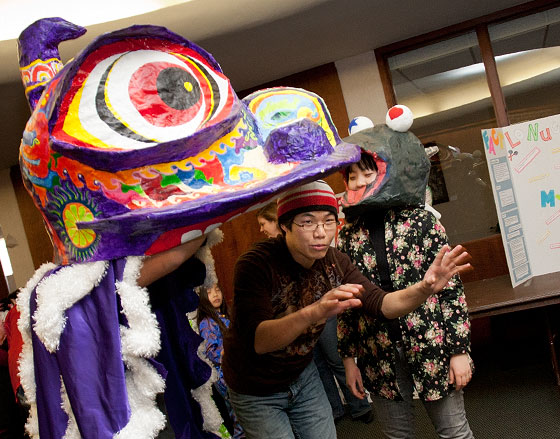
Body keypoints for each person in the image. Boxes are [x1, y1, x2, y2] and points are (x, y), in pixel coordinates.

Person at [222, 180, 471, 439]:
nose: (320, 232)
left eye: (329, 221)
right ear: (285, 225)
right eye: (307, 222)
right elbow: (260, 341)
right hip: (254, 387)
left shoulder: (335, 262)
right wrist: (316, 311)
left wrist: (425, 288)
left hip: (301, 375)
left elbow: (382, 304)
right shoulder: (255, 264)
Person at [338, 149, 475, 438]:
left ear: (385, 175)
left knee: (454, 432)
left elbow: (450, 289)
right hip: (377, 351)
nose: (360, 182)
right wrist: (349, 360)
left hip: (431, 343)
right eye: (352, 177)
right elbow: (347, 301)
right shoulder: (349, 234)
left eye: (367, 173)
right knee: (397, 436)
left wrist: (459, 350)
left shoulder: (421, 220)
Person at [197, 284, 245, 439]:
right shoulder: (207, 322)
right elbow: (213, 352)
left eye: (217, 289)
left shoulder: (226, 316)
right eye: (209, 292)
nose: (215, 294)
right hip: (226, 375)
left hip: (238, 371)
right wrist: (230, 353)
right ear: (203, 298)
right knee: (240, 418)